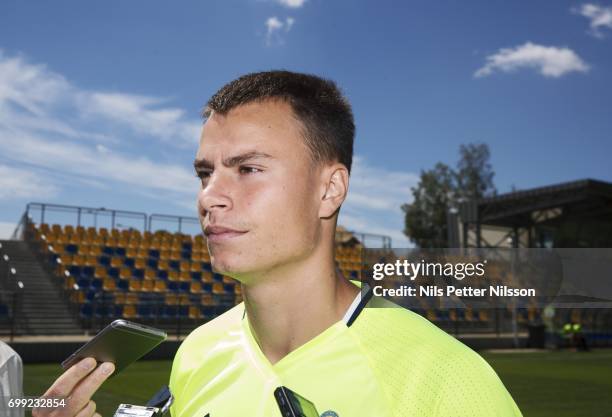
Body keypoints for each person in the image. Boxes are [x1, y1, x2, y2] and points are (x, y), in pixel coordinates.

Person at [35, 70, 522, 417]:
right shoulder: (197, 353)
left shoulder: (448, 381)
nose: (210, 197)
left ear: (329, 189)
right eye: (205, 173)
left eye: (248, 169)